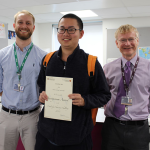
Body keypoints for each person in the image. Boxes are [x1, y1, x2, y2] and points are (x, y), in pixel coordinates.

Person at [35, 13, 111, 150]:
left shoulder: (91, 62)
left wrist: (85, 100)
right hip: (46, 136)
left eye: (71, 29)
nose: (65, 33)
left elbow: (104, 95)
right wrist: (41, 95)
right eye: (62, 29)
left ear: (81, 33)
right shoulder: (48, 60)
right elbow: (41, 85)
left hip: (77, 138)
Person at [0, 10, 47, 150]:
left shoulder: (43, 57)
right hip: (7, 116)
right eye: (20, 22)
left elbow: (45, 87)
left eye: (28, 23)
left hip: (32, 117)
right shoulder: (2, 55)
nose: (24, 26)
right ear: (14, 25)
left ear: (33, 27)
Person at [102, 24, 150, 150]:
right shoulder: (107, 68)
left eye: (131, 39)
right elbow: (102, 94)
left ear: (137, 41)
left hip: (139, 130)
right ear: (117, 43)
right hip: (112, 128)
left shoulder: (149, 67)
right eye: (123, 40)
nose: (127, 43)